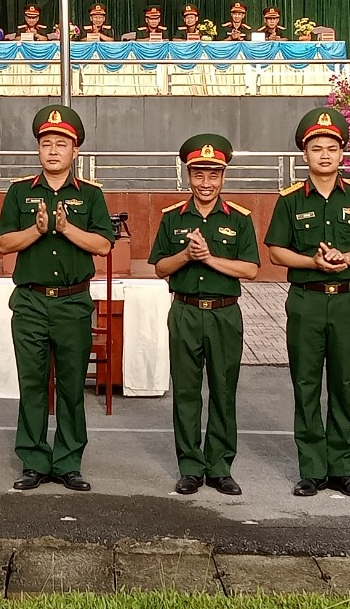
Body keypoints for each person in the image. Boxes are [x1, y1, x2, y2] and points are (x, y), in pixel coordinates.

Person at [264, 108, 350, 499]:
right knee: (305, 383)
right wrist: (313, 262)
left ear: (342, 154)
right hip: (306, 300)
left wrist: (345, 259)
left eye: (332, 148)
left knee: (344, 384)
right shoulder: (289, 201)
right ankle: (312, 469)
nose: (325, 155)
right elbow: (277, 252)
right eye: (317, 148)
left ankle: (343, 468)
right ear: (305, 155)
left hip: (349, 301)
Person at [0, 105, 115, 492]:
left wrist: (65, 230)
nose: (52, 151)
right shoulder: (19, 193)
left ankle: (67, 461)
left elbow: (102, 244)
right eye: (46, 143)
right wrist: (37, 229)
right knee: (32, 383)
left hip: (72, 303)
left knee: (70, 385)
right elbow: (3, 242)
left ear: (75, 151)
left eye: (61, 144)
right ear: (38, 150)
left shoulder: (92, 195)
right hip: (30, 303)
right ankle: (33, 460)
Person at [149, 134, 260, 496]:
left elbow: (250, 269)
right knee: (186, 391)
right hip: (184, 310)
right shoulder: (172, 218)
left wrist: (209, 257)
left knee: (224, 391)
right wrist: (187, 256)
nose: (206, 183)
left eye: (213, 175)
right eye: (198, 174)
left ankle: (220, 466)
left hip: (224, 314)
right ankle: (191, 467)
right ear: (188, 175)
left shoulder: (239, 219)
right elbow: (160, 268)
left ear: (223, 177)